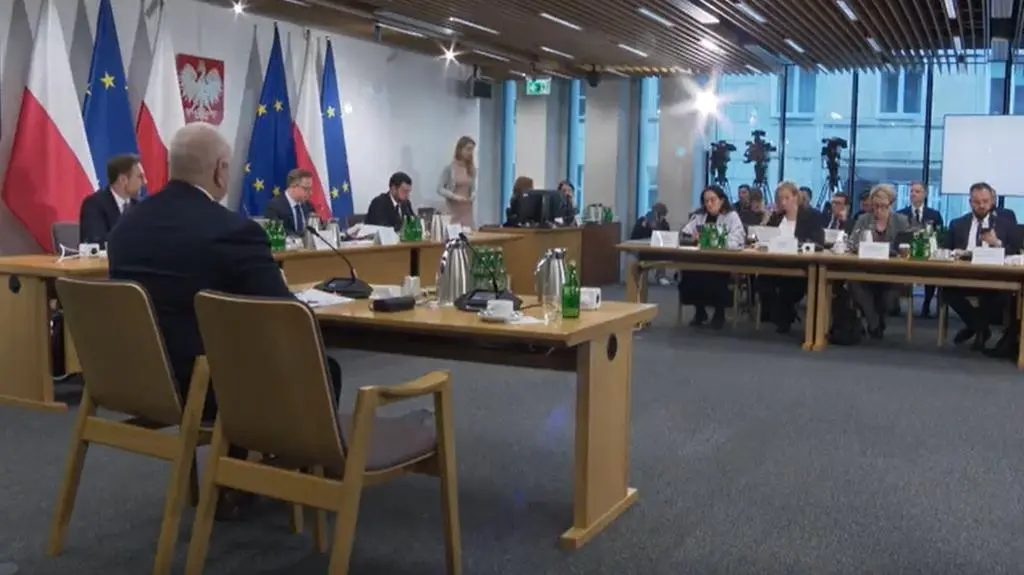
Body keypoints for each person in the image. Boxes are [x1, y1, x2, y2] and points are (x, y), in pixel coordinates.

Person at [107, 122, 342, 520]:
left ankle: (235, 476)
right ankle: (289, 477)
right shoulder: (232, 230)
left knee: (231, 351)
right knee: (321, 368)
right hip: (206, 386)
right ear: (219, 170)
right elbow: (285, 319)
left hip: (142, 379)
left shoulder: (125, 228)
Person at [942, 182, 1019, 350]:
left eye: (985, 201)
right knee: (946, 290)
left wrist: (997, 243)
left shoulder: (1006, 224)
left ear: (992, 201)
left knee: (1004, 293)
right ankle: (980, 327)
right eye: (977, 202)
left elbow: (1015, 251)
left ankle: (975, 327)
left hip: (995, 276)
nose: (982, 205)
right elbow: (945, 249)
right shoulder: (957, 224)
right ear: (970, 202)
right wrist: (956, 253)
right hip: (964, 275)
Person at [759, 181, 825, 333]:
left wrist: (799, 246)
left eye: (786, 198)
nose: (783, 202)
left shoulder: (810, 216)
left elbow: (818, 242)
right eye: (780, 199)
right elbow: (766, 236)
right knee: (763, 281)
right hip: (776, 262)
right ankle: (777, 315)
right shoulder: (776, 217)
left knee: (789, 285)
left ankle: (785, 317)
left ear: (796, 197)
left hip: (800, 264)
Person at [847, 184, 911, 339]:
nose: (879, 210)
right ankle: (874, 323)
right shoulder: (863, 219)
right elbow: (852, 242)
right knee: (854, 284)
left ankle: (878, 320)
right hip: (866, 270)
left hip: (892, 272)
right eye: (876, 206)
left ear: (891, 204)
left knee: (889, 298)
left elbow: (906, 247)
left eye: (883, 206)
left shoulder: (901, 221)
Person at [677, 185, 745, 329]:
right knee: (689, 273)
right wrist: (692, 238)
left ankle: (719, 312)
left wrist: (714, 239)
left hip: (722, 261)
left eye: (712, 200)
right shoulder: (699, 216)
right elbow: (685, 234)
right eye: (706, 201)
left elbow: (738, 240)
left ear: (722, 200)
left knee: (716, 276)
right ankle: (700, 311)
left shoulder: (731, 216)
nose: (709, 204)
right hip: (700, 259)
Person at [896, 182, 943, 317]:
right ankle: (894, 304)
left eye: (917, 191)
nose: (913, 194)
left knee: (933, 272)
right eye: (911, 191)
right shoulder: (900, 214)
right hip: (906, 254)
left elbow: (939, 236)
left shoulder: (934, 214)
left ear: (925, 194)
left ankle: (927, 304)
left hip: (928, 254)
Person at [79, 154, 145, 246]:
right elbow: (96, 240)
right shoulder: (94, 204)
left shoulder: (139, 207)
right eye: (140, 177)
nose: (145, 182)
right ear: (123, 180)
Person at [436, 136, 476, 227]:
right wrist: (454, 196)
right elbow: (439, 189)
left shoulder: (471, 169)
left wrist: (473, 195)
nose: (470, 153)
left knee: (468, 232)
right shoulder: (450, 168)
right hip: (453, 209)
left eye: (472, 150)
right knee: (454, 231)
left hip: (467, 209)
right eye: (468, 149)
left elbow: (472, 188)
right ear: (460, 149)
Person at [262, 168, 314, 236]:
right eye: (306, 189)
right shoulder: (274, 206)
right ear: (292, 186)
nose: (310, 193)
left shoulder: (308, 206)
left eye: (310, 188)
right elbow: (274, 235)